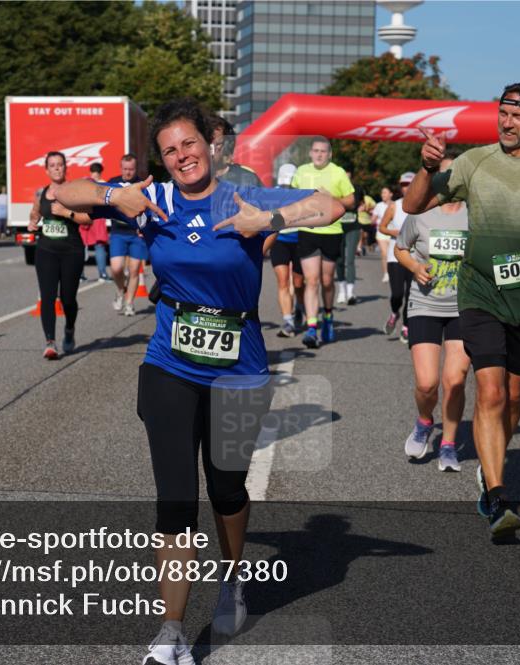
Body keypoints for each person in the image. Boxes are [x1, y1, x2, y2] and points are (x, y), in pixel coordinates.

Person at [55, 99, 342, 665]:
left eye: (188, 144)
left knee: (227, 488)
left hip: (239, 366)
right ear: (159, 161)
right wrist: (116, 194)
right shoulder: (152, 200)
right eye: (169, 150)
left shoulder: (244, 195)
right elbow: (61, 195)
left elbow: (332, 203)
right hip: (170, 364)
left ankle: (232, 580)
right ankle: (171, 633)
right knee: (176, 498)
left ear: (209, 145)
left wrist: (270, 221)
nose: (181, 156)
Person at [403, 81, 520, 538]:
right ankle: (496, 493)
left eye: (517, 116)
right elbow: (413, 203)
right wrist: (428, 168)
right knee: (488, 391)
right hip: (479, 291)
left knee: (513, 394)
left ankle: (493, 463)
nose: (507, 122)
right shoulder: (474, 162)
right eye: (502, 113)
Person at [395, 156, 472, 471]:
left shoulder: (477, 215)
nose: (449, 180)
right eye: (443, 175)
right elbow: (401, 248)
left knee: (454, 381)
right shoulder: (421, 212)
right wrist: (415, 266)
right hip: (425, 303)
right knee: (428, 383)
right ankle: (425, 421)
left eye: (455, 175)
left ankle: (449, 445)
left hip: (464, 306)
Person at [27, 151, 92, 359]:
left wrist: (66, 213)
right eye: (52, 165)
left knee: (68, 299)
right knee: (47, 297)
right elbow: (35, 213)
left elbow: (87, 219)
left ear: (65, 168)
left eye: (60, 165)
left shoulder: (74, 191)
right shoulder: (41, 194)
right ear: (46, 170)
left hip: (71, 251)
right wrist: (32, 223)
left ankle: (70, 329)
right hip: (46, 251)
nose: (56, 168)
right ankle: (50, 342)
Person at [293, 137, 355, 348]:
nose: (319, 154)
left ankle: (328, 316)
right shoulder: (301, 171)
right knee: (312, 280)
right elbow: (291, 196)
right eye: (316, 151)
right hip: (307, 229)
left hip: (331, 231)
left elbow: (351, 201)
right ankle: (312, 327)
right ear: (310, 153)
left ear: (329, 154)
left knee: (327, 281)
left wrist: (332, 198)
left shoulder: (337, 172)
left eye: (323, 151)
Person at [266, 163, 306, 337]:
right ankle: (288, 321)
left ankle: (299, 306)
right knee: (283, 281)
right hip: (279, 240)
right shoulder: (272, 193)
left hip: (300, 241)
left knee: (298, 283)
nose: (285, 187)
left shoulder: (302, 192)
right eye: (283, 183)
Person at [107, 153, 146, 315]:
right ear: (121, 168)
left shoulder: (141, 184)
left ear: (135, 169)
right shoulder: (113, 183)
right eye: (125, 169)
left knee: (135, 270)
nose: (128, 172)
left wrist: (145, 227)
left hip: (137, 233)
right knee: (116, 268)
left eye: (131, 169)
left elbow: (148, 207)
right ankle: (119, 291)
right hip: (118, 232)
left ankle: (129, 303)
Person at [379, 172, 415, 343]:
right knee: (397, 294)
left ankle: (406, 327)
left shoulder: (424, 205)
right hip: (396, 256)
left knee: (411, 295)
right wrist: (395, 232)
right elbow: (382, 227)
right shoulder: (395, 206)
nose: (406, 188)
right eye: (403, 184)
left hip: (416, 257)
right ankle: (394, 313)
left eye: (409, 184)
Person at [208, 115, 263, 187]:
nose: (210, 148)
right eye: (206, 142)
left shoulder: (247, 179)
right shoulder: (191, 177)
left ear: (227, 146)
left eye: (217, 144)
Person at [335, 170, 362, 305]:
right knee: (339, 260)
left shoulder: (357, 188)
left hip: (353, 227)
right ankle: (342, 290)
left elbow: (359, 203)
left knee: (350, 260)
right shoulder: (334, 188)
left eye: (347, 174)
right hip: (337, 228)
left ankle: (351, 292)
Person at [82, 163, 111, 281]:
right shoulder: (104, 184)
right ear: (101, 172)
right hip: (99, 218)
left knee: (81, 246)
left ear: (90, 171)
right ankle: (102, 274)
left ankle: (80, 275)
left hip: (85, 216)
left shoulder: (85, 183)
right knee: (99, 246)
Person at [372, 185, 394, 283]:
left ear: (391, 194)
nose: (382, 195)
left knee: (393, 255)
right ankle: (386, 273)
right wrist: (372, 220)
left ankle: (393, 273)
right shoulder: (378, 205)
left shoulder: (395, 205)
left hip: (393, 233)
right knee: (385, 254)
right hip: (381, 233)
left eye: (385, 192)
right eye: (382, 193)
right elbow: (373, 220)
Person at [357, 189, 377, 258]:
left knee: (364, 236)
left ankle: (363, 247)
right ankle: (359, 248)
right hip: (359, 220)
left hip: (367, 221)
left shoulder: (368, 198)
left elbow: (375, 206)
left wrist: (367, 209)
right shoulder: (355, 198)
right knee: (360, 233)